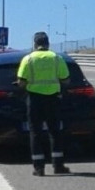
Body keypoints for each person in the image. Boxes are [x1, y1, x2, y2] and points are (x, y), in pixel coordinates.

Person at [17, 32, 71, 177]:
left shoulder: (28, 59)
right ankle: (58, 165)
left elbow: (21, 82)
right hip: (52, 99)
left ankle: (39, 168)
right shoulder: (56, 58)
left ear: (34, 44)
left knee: (35, 133)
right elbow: (65, 80)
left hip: (34, 100)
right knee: (55, 131)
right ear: (48, 43)